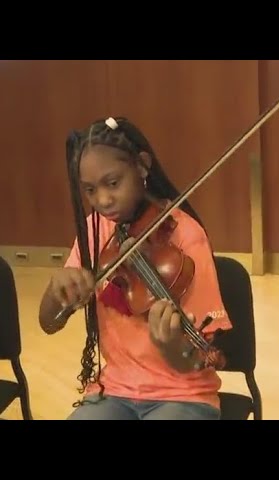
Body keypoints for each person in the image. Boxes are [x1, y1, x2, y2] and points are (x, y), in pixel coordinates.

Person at [38, 116, 232, 420]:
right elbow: (48, 324)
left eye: (113, 183)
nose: (102, 199)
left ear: (141, 166)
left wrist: (169, 345)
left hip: (182, 396)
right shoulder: (93, 231)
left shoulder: (185, 234)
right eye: (89, 190)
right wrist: (55, 291)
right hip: (113, 391)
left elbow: (194, 362)